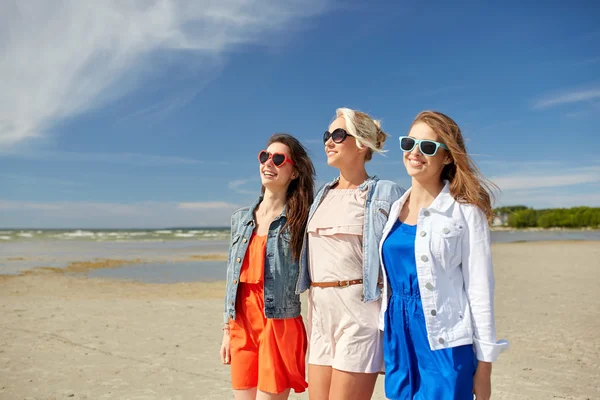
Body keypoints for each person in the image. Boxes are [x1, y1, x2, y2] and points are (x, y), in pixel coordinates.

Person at [379, 111, 509, 400]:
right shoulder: (393, 209)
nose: (414, 152)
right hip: (398, 335)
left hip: (444, 339)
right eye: (409, 143)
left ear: (447, 157)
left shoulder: (465, 212)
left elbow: (479, 290)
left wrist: (485, 368)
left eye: (427, 147)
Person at [296, 107, 404, 400]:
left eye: (338, 135)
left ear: (362, 143)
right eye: (326, 135)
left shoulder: (385, 193)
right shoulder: (322, 196)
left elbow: (405, 249)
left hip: (358, 310)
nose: (328, 141)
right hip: (319, 311)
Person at [220, 133, 315, 400]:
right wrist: (227, 330)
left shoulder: (301, 219)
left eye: (278, 158)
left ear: (295, 172)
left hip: (278, 323)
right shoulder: (240, 219)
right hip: (241, 324)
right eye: (265, 156)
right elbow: (232, 278)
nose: (268, 163)